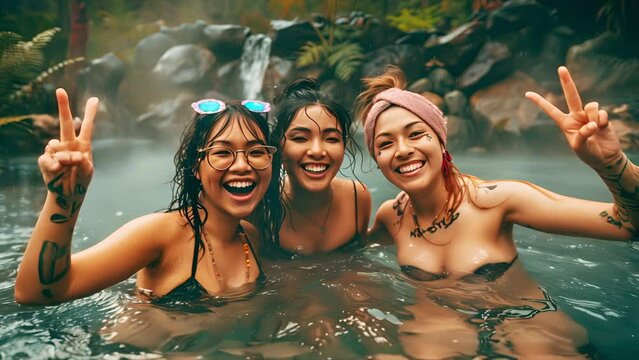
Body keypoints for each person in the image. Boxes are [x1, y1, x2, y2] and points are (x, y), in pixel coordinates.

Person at [356, 65, 639, 280]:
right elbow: (345, 254)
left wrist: (611, 163)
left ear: (442, 141)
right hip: (438, 335)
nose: (402, 149)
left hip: (523, 327)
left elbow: (628, 225)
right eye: (385, 144)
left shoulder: (497, 200)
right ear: (378, 159)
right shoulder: (391, 217)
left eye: (416, 134)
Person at [14, 90, 282, 304]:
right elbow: (36, 293)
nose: (242, 165)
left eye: (256, 152)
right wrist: (64, 199)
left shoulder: (251, 237)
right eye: (222, 152)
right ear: (195, 169)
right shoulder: (160, 234)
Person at [269, 78, 371, 255]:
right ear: (279, 146)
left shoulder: (357, 198)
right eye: (300, 138)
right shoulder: (263, 208)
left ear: (343, 145)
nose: (317, 151)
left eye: (331, 139)